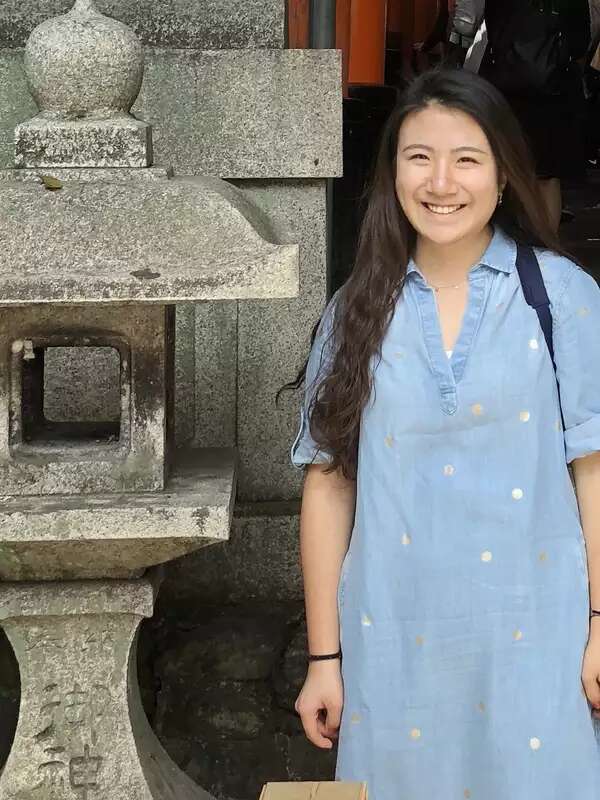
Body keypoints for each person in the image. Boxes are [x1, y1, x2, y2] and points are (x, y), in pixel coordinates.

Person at [288, 68, 600, 800]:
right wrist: (324, 657)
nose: (441, 181)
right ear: (392, 172)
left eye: (466, 158)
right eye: (418, 156)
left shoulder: (561, 297)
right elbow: (329, 484)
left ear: (502, 176)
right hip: (393, 642)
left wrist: (599, 621)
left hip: (536, 638)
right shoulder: (355, 309)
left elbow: (593, 469)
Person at [479, 0, 591, 231]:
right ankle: (547, 248)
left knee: (500, 166)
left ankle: (497, 239)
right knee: (548, 177)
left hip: (504, 84)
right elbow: (580, 41)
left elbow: (492, 26)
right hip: (551, 89)